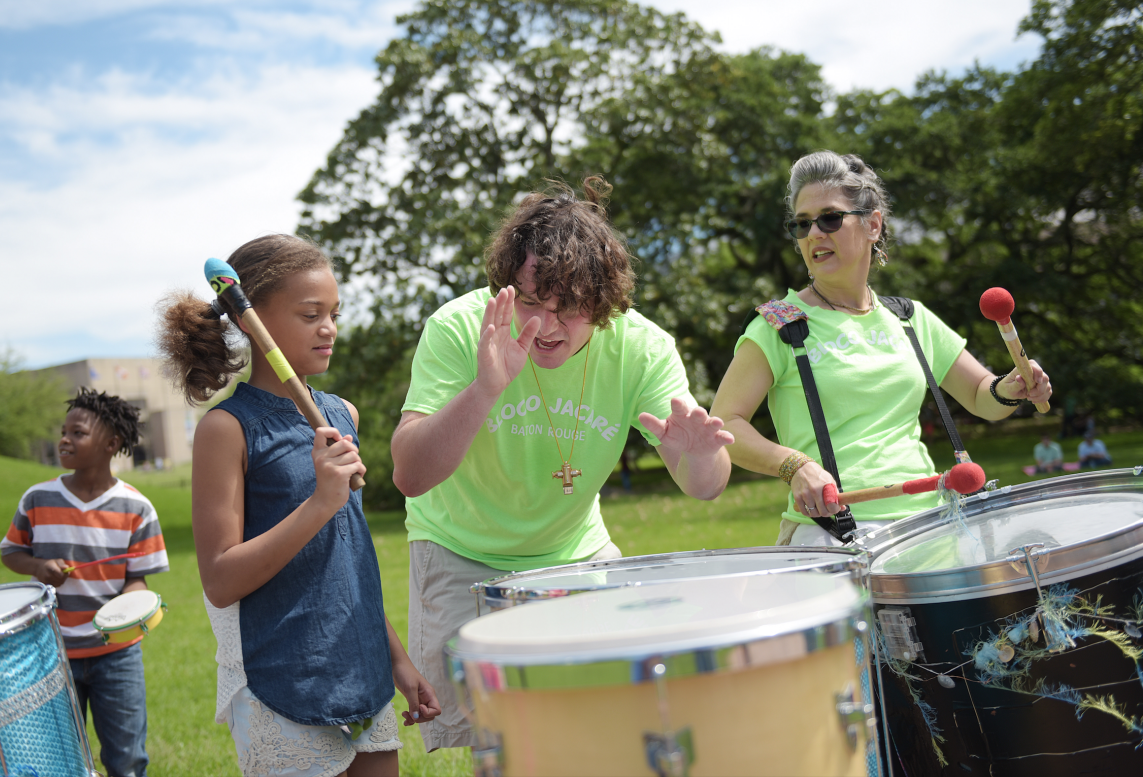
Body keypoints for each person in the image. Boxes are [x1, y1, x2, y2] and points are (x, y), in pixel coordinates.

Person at [391, 177, 734, 751]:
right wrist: (484, 388)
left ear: (604, 303)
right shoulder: (459, 328)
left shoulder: (642, 346)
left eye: (569, 308)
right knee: (497, 743)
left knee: (606, 730)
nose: (545, 327)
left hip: (577, 554)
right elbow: (410, 475)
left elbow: (706, 486)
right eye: (529, 302)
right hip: (459, 550)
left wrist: (702, 456)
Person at [156, 234, 440, 777]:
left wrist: (399, 662)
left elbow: (348, 559)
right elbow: (220, 579)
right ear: (250, 319)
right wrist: (320, 501)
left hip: (362, 665)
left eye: (334, 313)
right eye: (310, 314)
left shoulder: (341, 415)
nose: (329, 327)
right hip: (280, 674)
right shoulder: (227, 428)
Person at [710, 151, 1053, 546]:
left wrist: (1009, 389)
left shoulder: (909, 317)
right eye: (802, 225)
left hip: (932, 521)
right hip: (833, 533)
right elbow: (726, 422)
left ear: (873, 224)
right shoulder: (779, 324)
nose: (815, 234)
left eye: (830, 218)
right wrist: (795, 465)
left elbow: (981, 397)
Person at [1, 388, 169, 777]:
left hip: (118, 655)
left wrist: (129, 606)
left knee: (126, 759)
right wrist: (38, 565)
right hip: (52, 653)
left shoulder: (136, 507)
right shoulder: (37, 499)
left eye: (77, 433)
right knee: (63, 759)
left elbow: (137, 580)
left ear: (111, 443)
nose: (64, 439)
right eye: (64, 431)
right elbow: (10, 552)